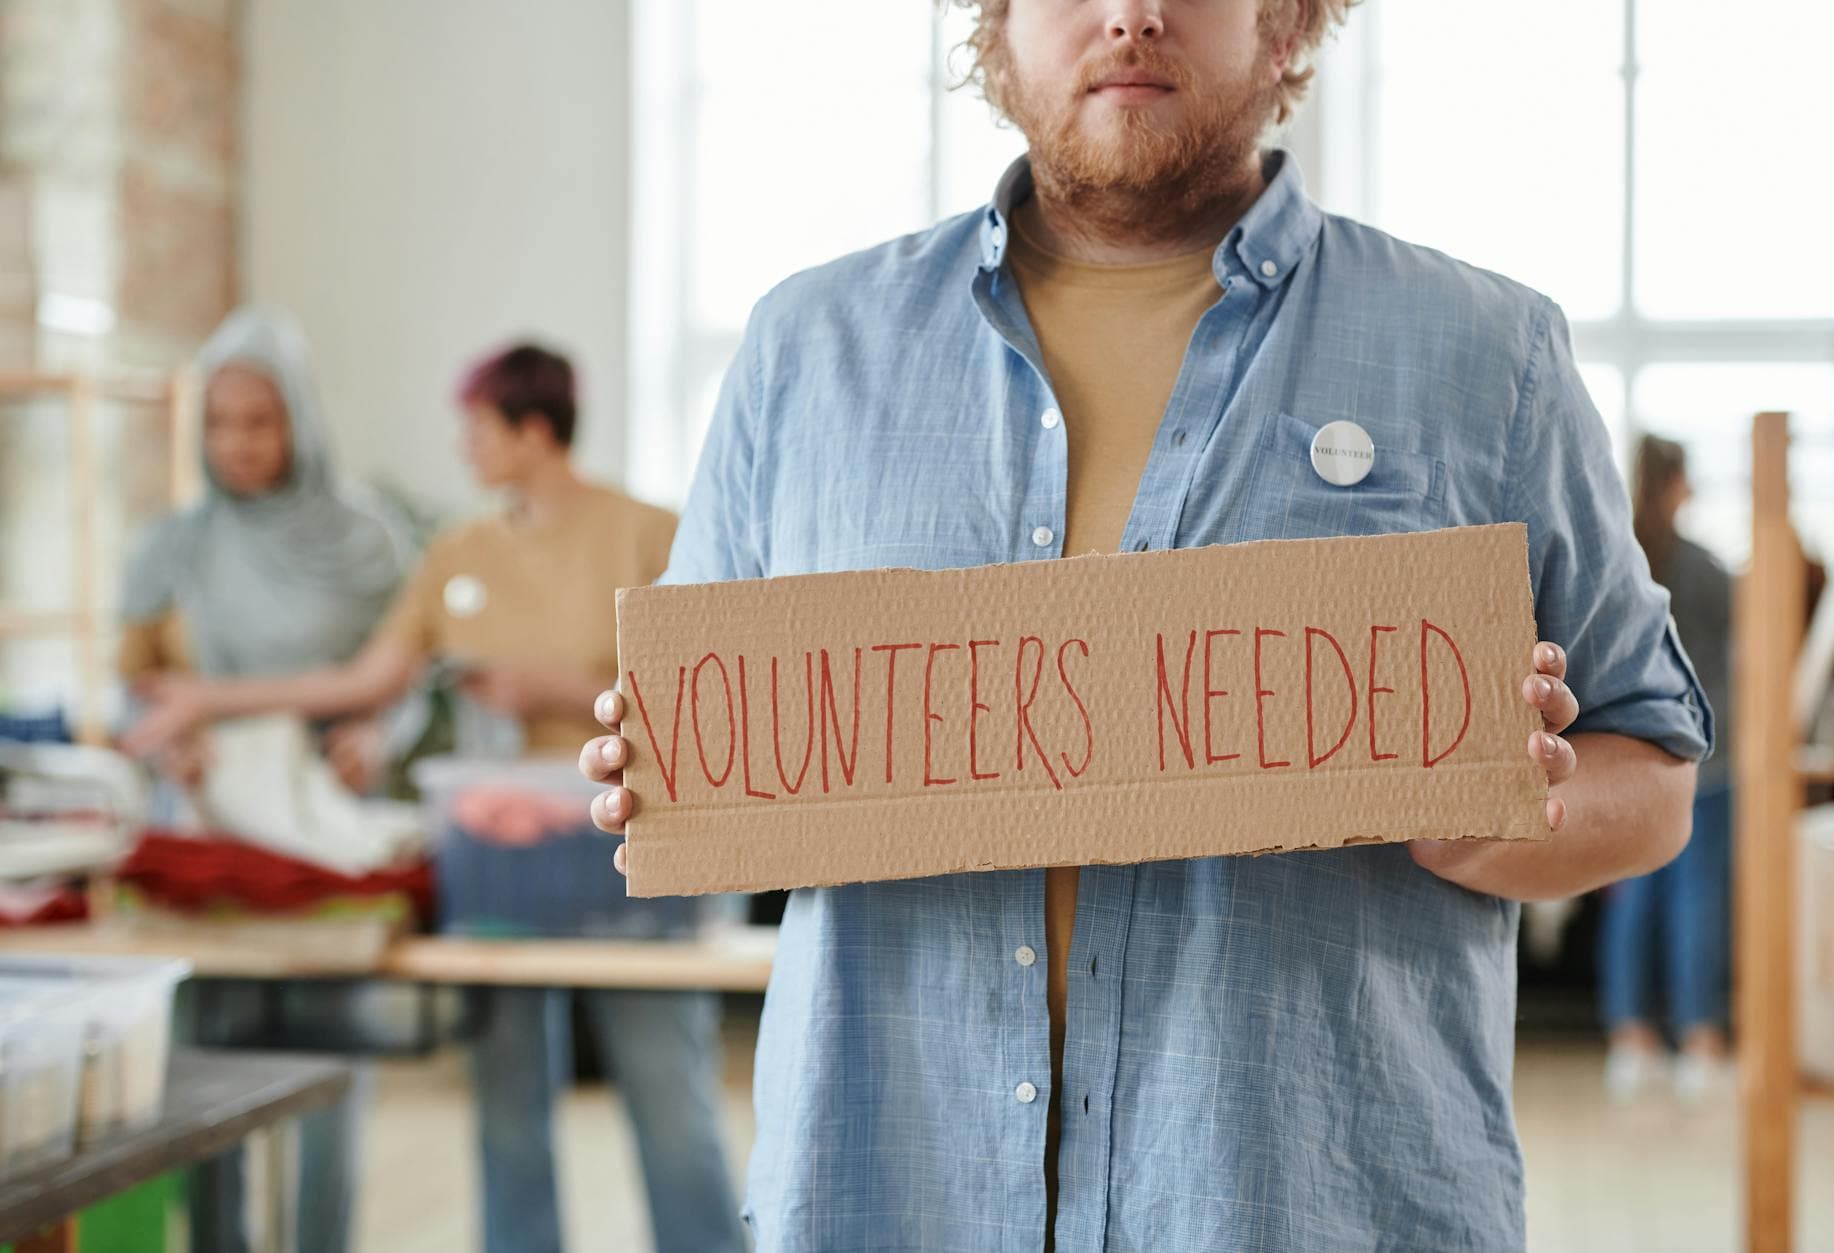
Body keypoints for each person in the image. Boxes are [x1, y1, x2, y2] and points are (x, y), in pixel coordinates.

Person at [579, 2, 1715, 1248]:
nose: (1130, 14)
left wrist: (1493, 820)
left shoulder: (1485, 353)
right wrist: (651, 771)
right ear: (996, 32)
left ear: (1286, 27)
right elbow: (706, 748)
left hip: (1310, 1205)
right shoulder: (804, 352)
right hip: (888, 1193)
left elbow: (1650, 771)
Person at [127, 342, 745, 1253]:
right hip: (500, 861)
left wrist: (558, 689)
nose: (464, 448)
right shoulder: (459, 550)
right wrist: (209, 703)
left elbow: (714, 693)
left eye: (478, 428)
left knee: (666, 1087)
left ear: (535, 430)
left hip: (633, 848)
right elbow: (365, 679)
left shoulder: (652, 532)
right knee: (505, 1102)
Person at [119, 305, 409, 1253]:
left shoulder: (367, 540)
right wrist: (168, 744)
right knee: (210, 1077)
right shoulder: (173, 547)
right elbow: (132, 691)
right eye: (218, 422)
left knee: (333, 1070)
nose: (237, 444)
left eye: (260, 420)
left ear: (301, 421)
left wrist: (377, 729)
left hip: (327, 839)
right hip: (215, 845)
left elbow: (408, 675)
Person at [1599, 434, 1735, 1105]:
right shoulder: (1708, 570)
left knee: (1632, 898)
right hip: (1705, 763)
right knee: (1697, 898)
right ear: (1677, 483)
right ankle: (1700, 1041)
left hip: (1627, 757)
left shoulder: (1620, 559)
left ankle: (1630, 1040)